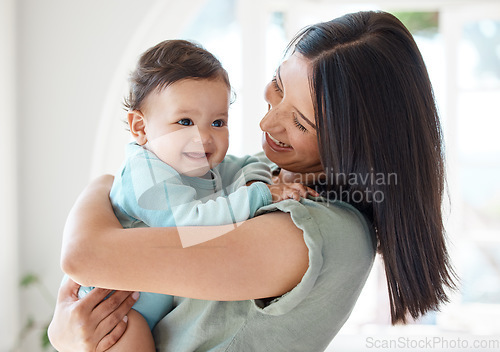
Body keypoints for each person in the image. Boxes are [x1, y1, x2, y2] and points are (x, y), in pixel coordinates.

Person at [48, 10, 456, 352]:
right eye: (278, 86)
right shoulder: (267, 171)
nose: (266, 120)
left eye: (298, 121)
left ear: (354, 144)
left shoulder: (312, 234)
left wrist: (97, 189)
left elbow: (85, 255)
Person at [74, 39, 318, 351]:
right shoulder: (145, 175)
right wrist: (261, 195)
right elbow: (190, 225)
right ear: (140, 127)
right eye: (185, 122)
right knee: (131, 336)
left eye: (218, 122)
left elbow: (248, 165)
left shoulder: (200, 165)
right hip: (114, 308)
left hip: (149, 303)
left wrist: (257, 181)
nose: (203, 136)